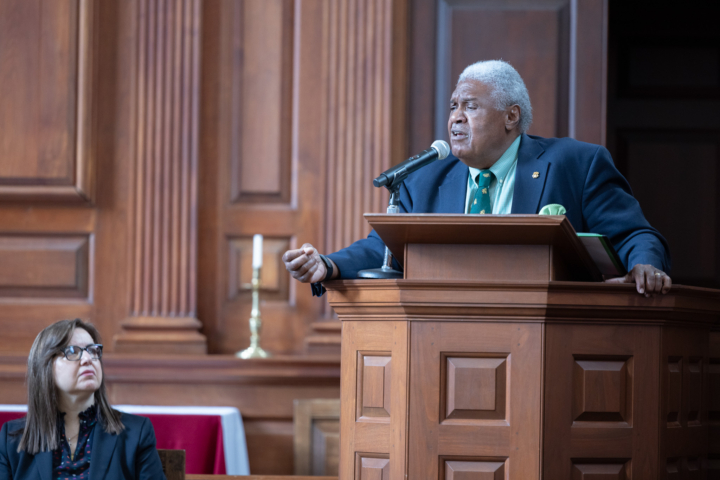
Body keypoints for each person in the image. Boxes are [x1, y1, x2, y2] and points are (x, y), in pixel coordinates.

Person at [283, 60, 672, 297]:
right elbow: (383, 250)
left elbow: (636, 235)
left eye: (470, 106)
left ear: (511, 117)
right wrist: (328, 265)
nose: (455, 117)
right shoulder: (426, 179)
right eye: (453, 106)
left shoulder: (577, 163)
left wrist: (645, 266)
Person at [0, 319, 166, 480]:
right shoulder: (11, 440)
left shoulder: (136, 432)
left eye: (93, 350)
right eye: (73, 351)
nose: (88, 359)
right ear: (45, 366)